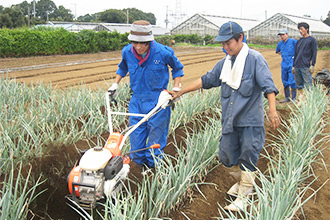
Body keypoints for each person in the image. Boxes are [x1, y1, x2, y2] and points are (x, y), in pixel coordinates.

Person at [171, 21, 280, 211]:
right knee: (226, 156)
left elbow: (268, 87)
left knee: (248, 155)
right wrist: (182, 91)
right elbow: (207, 80)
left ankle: (244, 196)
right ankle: (244, 183)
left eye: (228, 42)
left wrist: (272, 111)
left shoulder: (255, 59)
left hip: (249, 121)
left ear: (240, 39)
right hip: (230, 120)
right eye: (222, 43)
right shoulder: (225, 63)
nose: (225, 47)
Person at [108, 20, 184, 168]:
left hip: (158, 101)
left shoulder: (163, 52)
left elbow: (177, 69)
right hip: (137, 101)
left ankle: (154, 171)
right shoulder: (127, 52)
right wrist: (115, 83)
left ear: (149, 41)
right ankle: (138, 172)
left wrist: (175, 88)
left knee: (155, 142)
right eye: (135, 43)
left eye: (142, 43)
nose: (138, 47)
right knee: (136, 141)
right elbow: (122, 68)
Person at [293, 22, 317, 89]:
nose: (300, 31)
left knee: (308, 86)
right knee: (299, 86)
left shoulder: (312, 40)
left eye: (301, 29)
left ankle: (309, 99)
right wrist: (294, 66)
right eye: (299, 29)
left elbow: (314, 53)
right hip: (297, 66)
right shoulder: (299, 41)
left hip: (305, 66)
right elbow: (296, 54)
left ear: (306, 29)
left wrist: (313, 64)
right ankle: (301, 99)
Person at [276, 29, 297, 102]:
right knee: (284, 80)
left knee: (292, 80)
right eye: (280, 35)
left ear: (287, 34)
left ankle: (294, 97)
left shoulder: (293, 42)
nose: (282, 36)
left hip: (291, 63)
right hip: (284, 64)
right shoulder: (280, 44)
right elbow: (278, 51)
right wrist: (284, 55)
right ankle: (287, 97)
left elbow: (299, 49)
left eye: (283, 34)